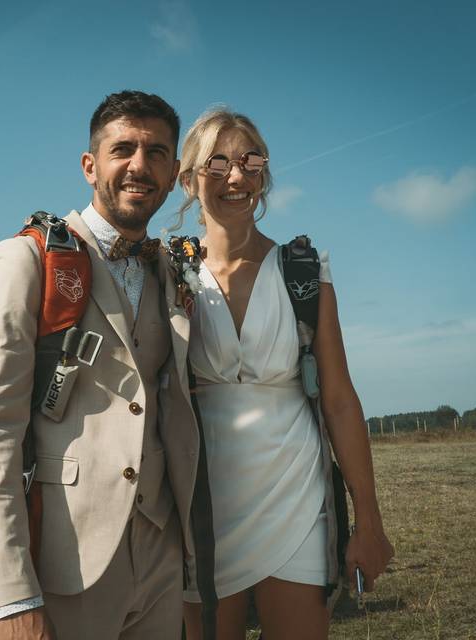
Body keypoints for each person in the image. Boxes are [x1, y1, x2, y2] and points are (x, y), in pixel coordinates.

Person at [0, 90, 201, 640]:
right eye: (124, 149)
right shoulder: (28, 259)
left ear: (173, 174)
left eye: (157, 152)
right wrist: (8, 593)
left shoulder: (174, 271)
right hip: (65, 560)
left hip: (162, 555)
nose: (139, 165)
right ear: (90, 166)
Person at [175, 107, 394, 640]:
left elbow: (340, 399)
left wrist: (369, 520)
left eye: (250, 161)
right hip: (200, 508)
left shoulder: (303, 270)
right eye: (218, 162)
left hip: (294, 500)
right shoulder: (169, 271)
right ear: (187, 179)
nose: (236, 176)